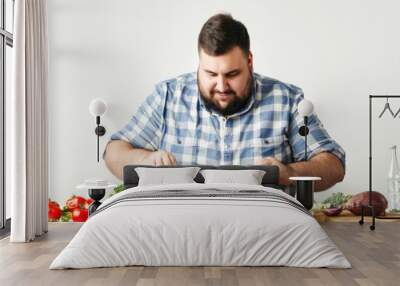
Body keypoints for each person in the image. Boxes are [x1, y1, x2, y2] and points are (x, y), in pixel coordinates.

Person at [104, 13, 345, 191]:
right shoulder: (168, 95)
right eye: (210, 74)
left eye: (232, 75)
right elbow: (113, 153)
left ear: (249, 61)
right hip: (179, 227)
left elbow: (334, 165)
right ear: (199, 63)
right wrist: (146, 160)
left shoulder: (286, 99)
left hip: (266, 231)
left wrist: (288, 173)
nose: (221, 87)